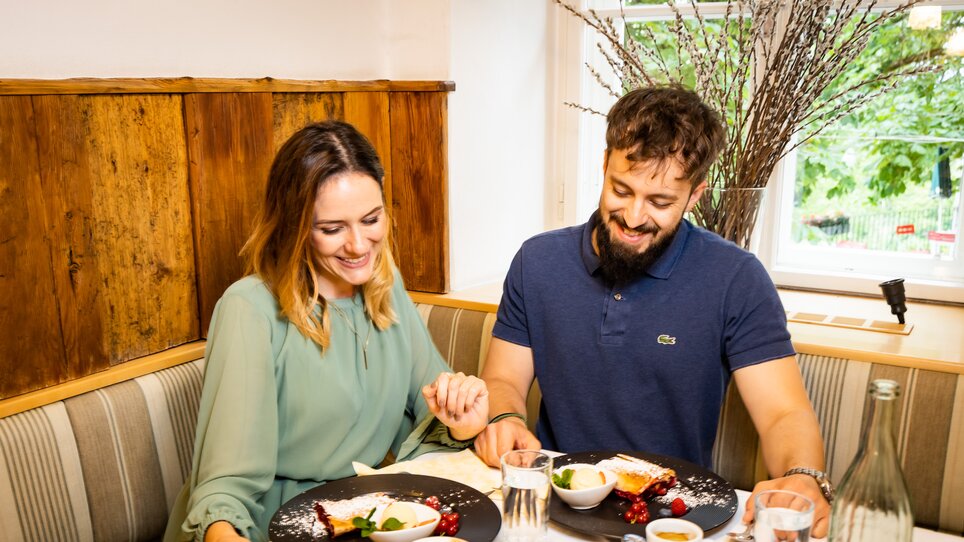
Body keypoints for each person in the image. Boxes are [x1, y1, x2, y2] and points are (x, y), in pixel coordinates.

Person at [473, 85, 831, 537]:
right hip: (555, 511)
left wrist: (803, 476)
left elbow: (784, 412)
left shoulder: (735, 277)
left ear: (695, 195)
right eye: (621, 189)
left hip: (674, 518)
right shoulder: (537, 261)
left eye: (660, 202)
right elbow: (504, 379)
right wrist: (505, 418)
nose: (634, 216)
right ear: (604, 164)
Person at [164, 121, 488, 542]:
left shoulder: (387, 287)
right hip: (269, 524)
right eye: (332, 229)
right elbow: (223, 491)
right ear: (294, 227)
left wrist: (463, 422)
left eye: (371, 219)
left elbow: (436, 420)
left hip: (361, 519)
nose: (358, 245)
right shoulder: (249, 309)